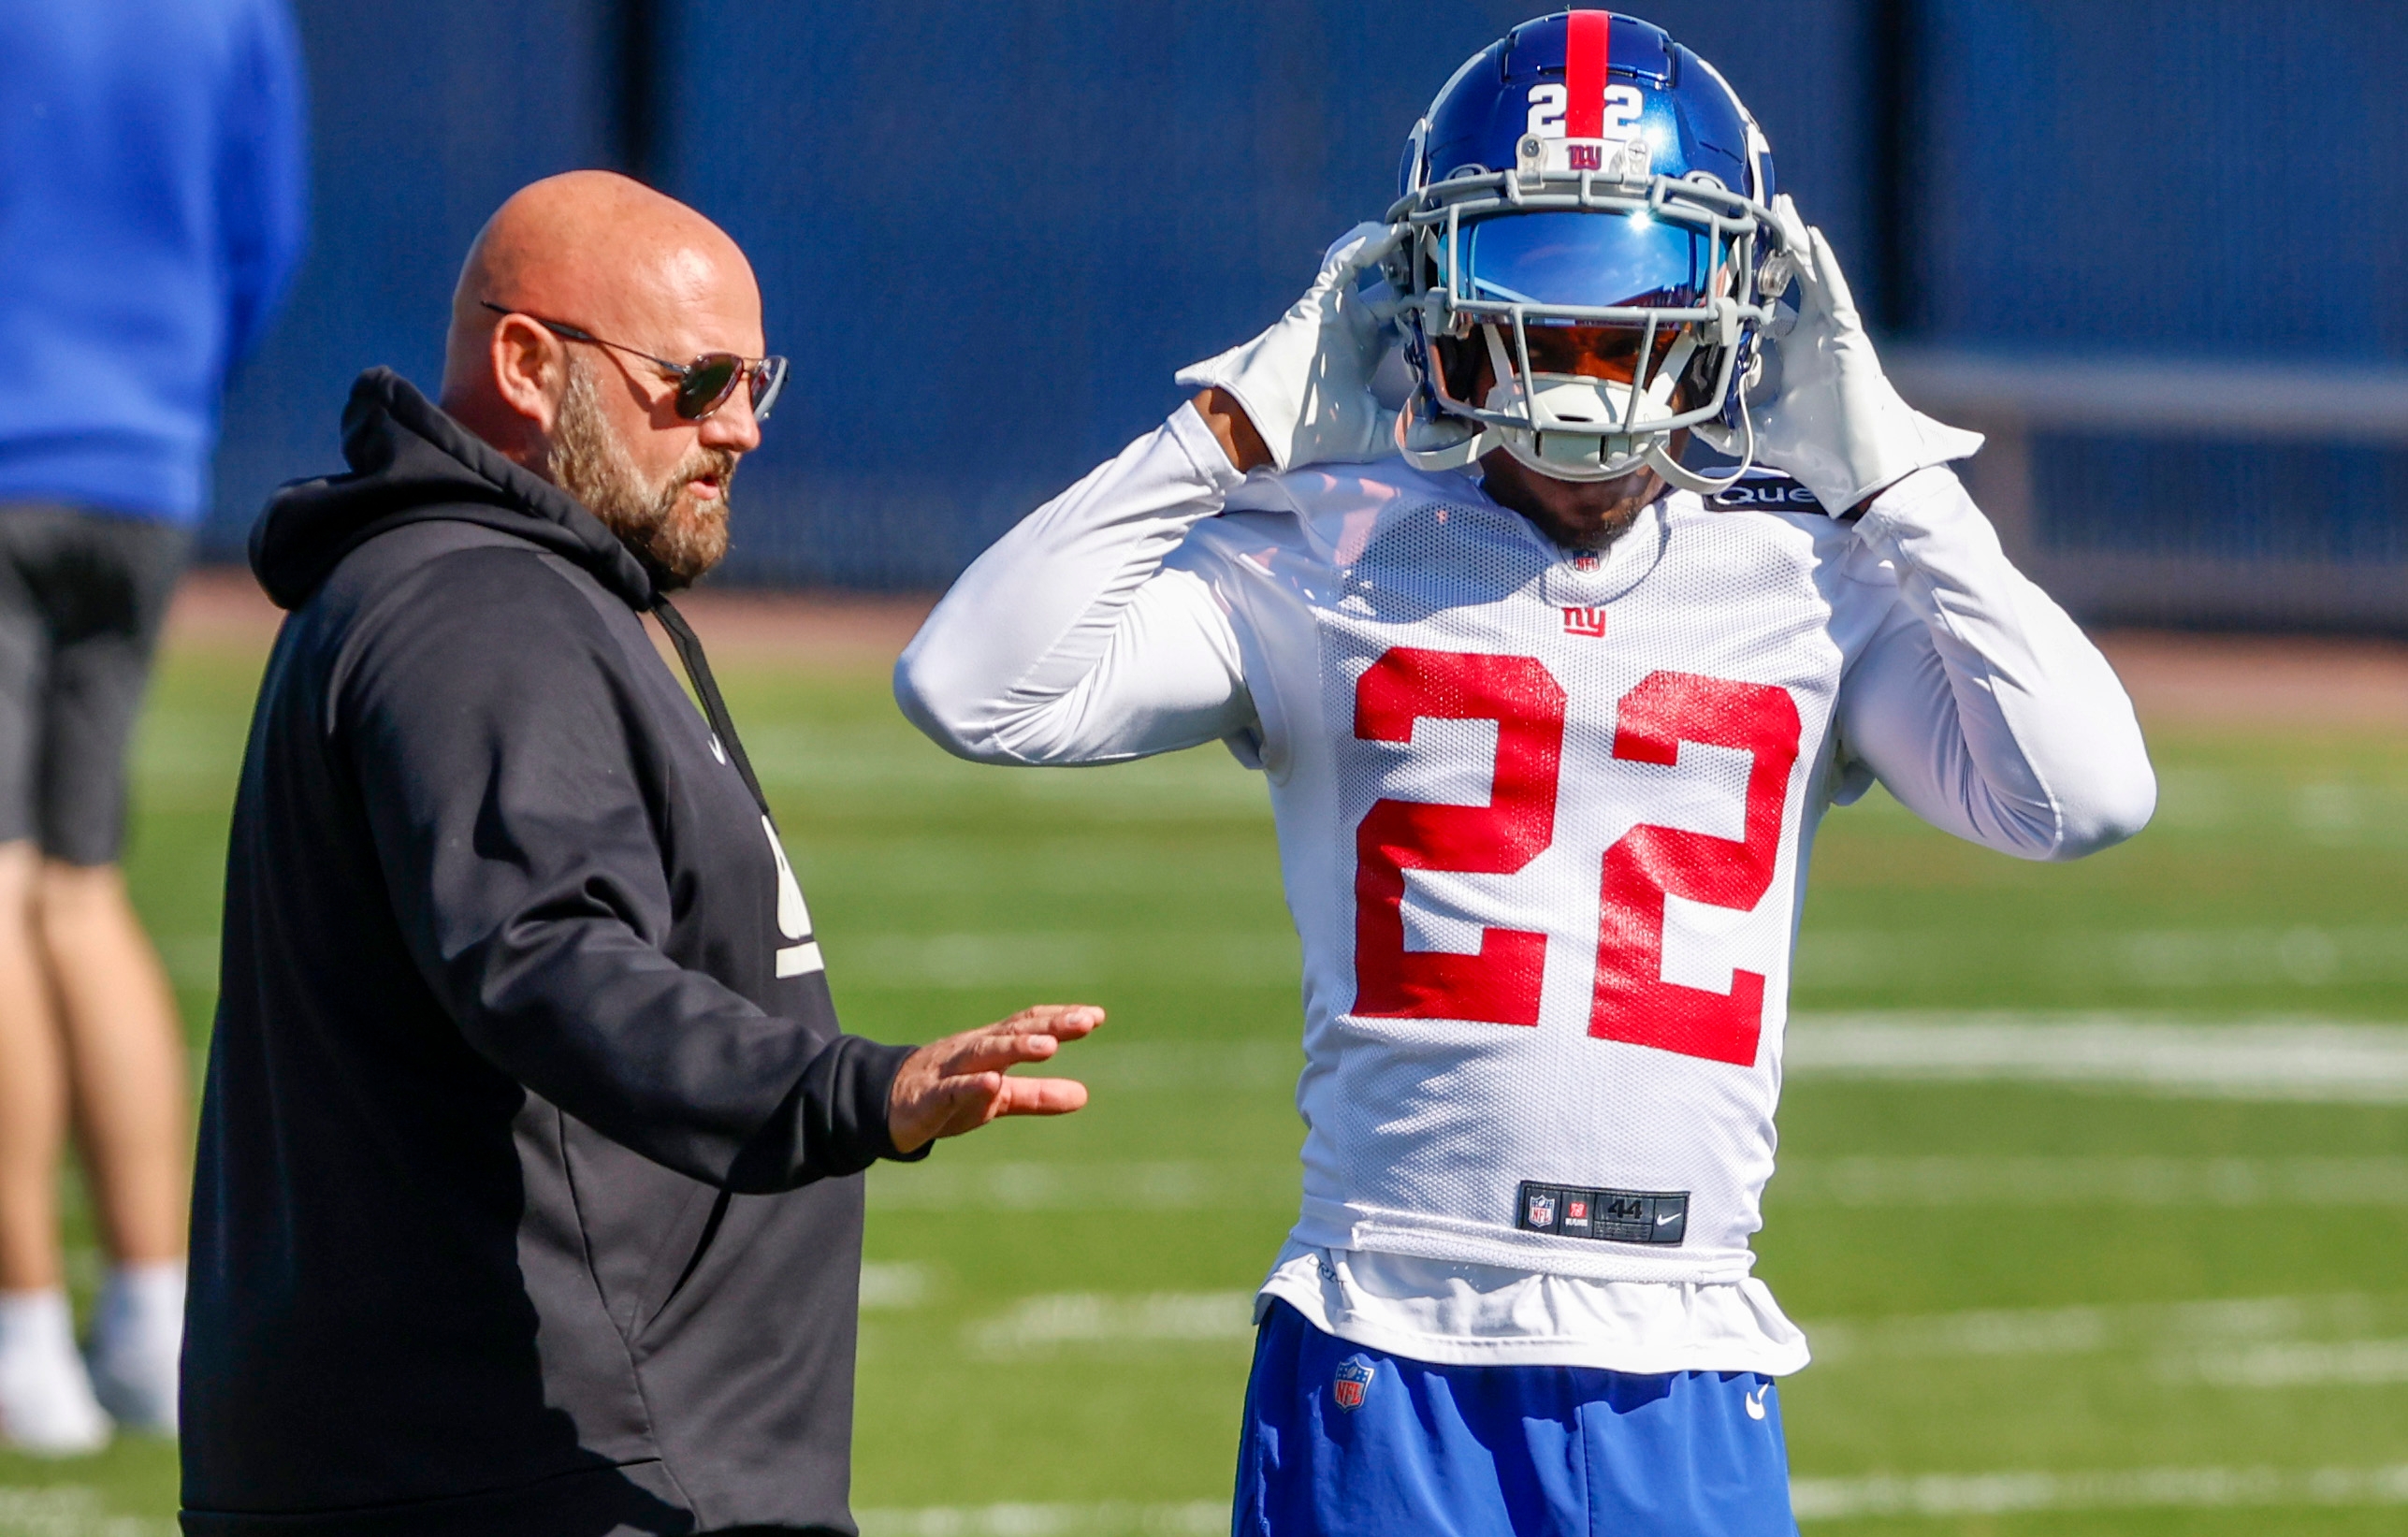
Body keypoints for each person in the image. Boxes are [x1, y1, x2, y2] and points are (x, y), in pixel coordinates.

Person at [895, 10, 2156, 1533]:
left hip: (1684, 1336)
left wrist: (1894, 481)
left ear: (1740, 307)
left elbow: (2080, 796)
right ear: (1431, 298)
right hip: (1385, 1324)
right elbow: (973, 689)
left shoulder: (1810, 575)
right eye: (1533, 308)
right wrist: (1218, 432)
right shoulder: (1328, 549)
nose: (1582, 367)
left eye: (1632, 310)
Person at [182, 171, 1099, 1537]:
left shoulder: (488, 588)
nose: (737, 427)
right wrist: (852, 1093)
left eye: (755, 383)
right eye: (697, 379)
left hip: (505, 1460)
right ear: (528, 364)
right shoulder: (479, 610)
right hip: (544, 1467)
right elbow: (547, 957)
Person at [0, 0, 307, 1451]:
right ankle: (149, 1317)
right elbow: (266, 236)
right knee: (77, 880)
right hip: (139, 460)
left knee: (3, 883)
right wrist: (158, 399)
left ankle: (21, 1346)